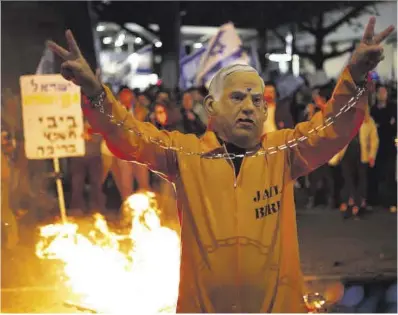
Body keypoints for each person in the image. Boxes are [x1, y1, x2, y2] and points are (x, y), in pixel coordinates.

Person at [47, 17, 393, 313]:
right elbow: (129, 134)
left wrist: (356, 74)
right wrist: (95, 93)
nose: (249, 107)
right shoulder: (186, 154)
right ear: (211, 107)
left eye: (257, 100)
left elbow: (334, 126)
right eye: (238, 97)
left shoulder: (284, 152)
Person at [329, 105, 379, 217]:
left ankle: (359, 202)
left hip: (362, 154)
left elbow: (374, 139)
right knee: (348, 178)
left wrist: (372, 155)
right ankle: (350, 201)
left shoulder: (368, 121)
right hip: (347, 153)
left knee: (361, 179)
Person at [370, 85, 397, 213]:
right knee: (376, 173)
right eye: (379, 92)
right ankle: (374, 199)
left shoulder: (393, 108)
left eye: (384, 91)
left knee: (390, 174)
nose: (381, 94)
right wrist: (386, 124)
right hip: (376, 146)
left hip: (389, 145)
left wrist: (382, 125)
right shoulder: (373, 109)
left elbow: (393, 125)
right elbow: (373, 126)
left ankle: (391, 201)